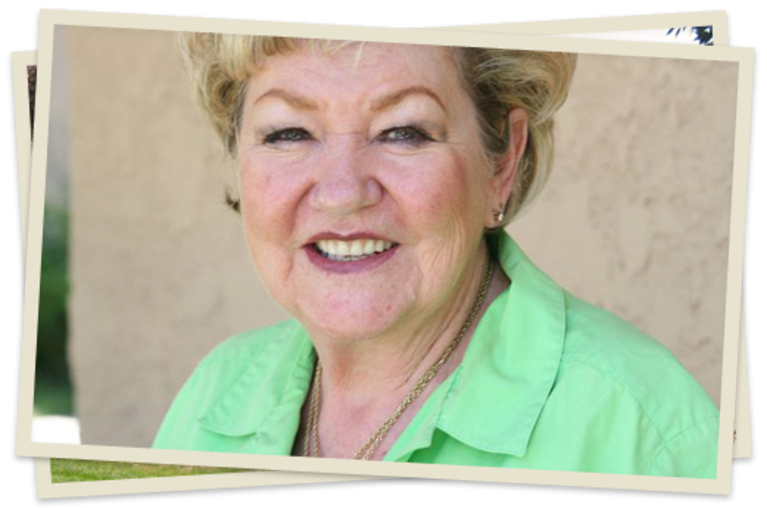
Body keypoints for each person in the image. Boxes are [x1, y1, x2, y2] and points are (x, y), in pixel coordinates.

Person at [152, 34, 720, 478]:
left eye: (402, 132)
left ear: (501, 162)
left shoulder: (644, 426)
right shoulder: (216, 392)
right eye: (289, 133)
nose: (343, 193)